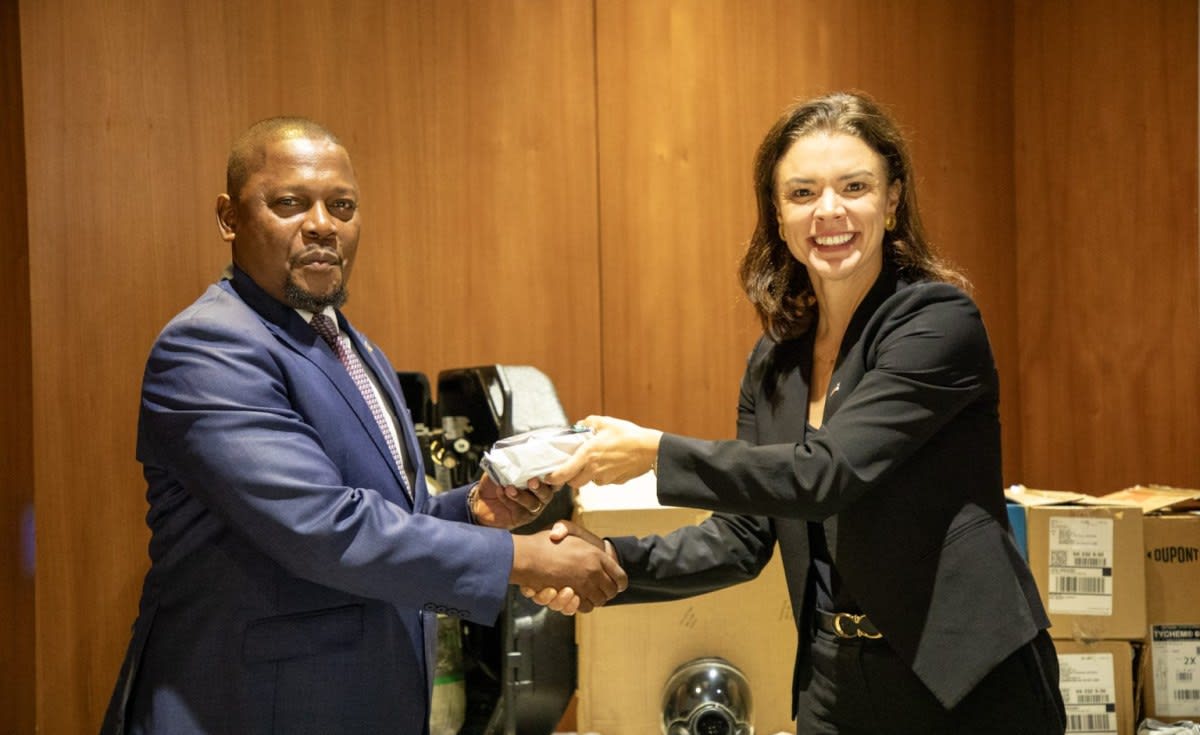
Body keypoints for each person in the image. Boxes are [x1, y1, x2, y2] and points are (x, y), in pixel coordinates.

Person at [534, 92, 1066, 734]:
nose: (830, 211)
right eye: (804, 193)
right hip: (832, 678)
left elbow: (827, 474)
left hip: (966, 679)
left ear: (893, 201)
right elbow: (742, 538)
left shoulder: (937, 323)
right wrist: (600, 564)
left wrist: (656, 453)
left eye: (855, 186)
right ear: (778, 216)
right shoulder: (774, 363)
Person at [100, 117, 626, 735]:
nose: (322, 224)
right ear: (229, 218)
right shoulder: (210, 347)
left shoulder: (352, 347)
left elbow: (378, 513)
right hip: (246, 710)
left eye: (341, 205)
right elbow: (323, 529)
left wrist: (471, 512)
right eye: (290, 203)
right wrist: (521, 557)